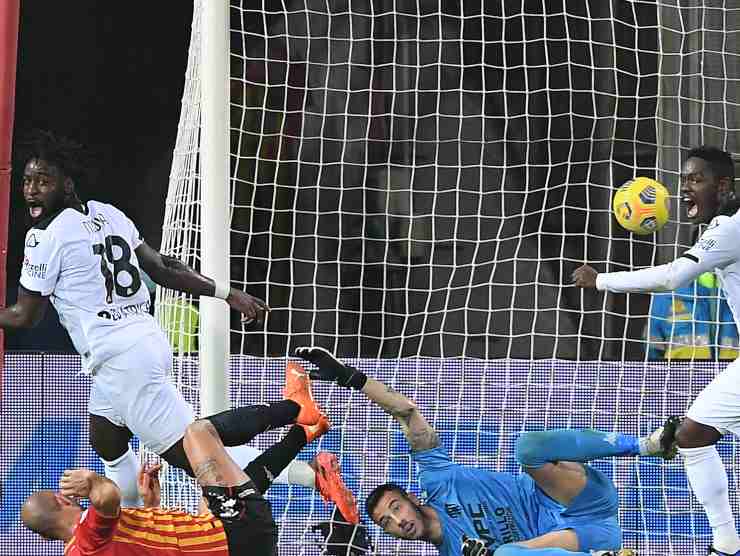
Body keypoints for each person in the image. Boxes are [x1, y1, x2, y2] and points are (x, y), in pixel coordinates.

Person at [3, 131, 356, 521]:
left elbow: (25, 316)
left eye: (43, 180)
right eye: (26, 181)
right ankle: (129, 522)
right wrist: (227, 293)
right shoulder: (108, 213)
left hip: (120, 360)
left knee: (200, 456)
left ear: (66, 185)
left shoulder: (44, 237)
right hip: (140, 341)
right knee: (106, 437)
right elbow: (162, 267)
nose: (32, 190)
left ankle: (301, 443)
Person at [294, 346, 677, 556]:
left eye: (395, 508)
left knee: (527, 447)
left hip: (579, 501)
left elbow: (407, 413)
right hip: (585, 542)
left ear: (411, 497)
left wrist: (351, 378)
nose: (397, 521)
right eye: (386, 524)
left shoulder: (439, 480)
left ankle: (645, 445)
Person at [572, 146, 740, 556]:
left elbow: (672, 276)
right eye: (683, 180)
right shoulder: (726, 226)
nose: (684, 189)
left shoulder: (731, 230)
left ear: (723, 186)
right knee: (692, 435)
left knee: (691, 435)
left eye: (695, 180)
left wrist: (601, 281)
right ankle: (726, 544)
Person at [20, 366, 347, 555]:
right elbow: (107, 498)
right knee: (197, 435)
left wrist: (151, 508)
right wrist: (91, 481)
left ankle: (306, 434)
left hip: (239, 544)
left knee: (224, 486)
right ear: (61, 498)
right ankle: (295, 409)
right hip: (232, 536)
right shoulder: (86, 538)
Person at [646, 275, 739, 360]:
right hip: (679, 375)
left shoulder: (735, 294)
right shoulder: (665, 297)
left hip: (732, 376)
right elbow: (651, 349)